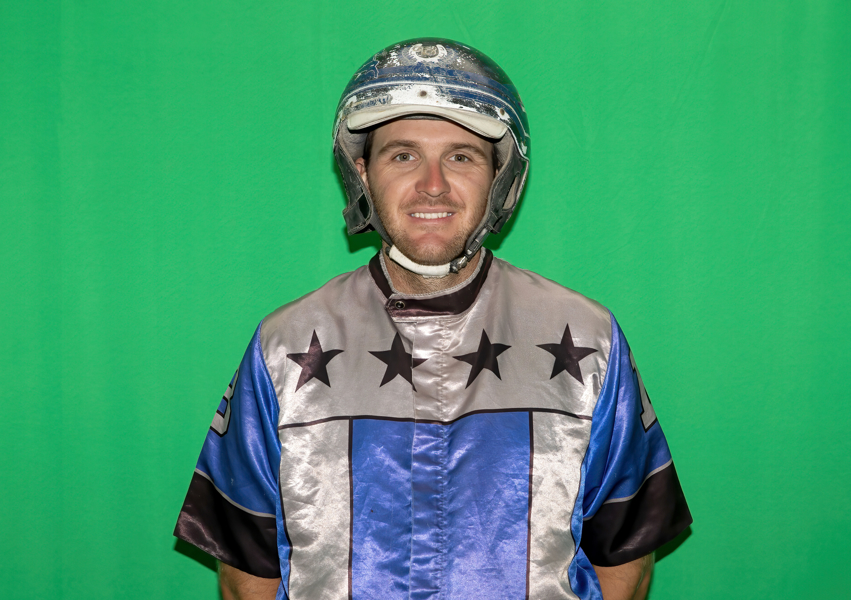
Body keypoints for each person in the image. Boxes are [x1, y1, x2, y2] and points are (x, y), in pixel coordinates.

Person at [174, 38, 692, 600]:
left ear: (499, 177)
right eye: (403, 156)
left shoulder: (589, 338)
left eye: (461, 156)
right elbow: (247, 570)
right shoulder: (285, 344)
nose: (433, 185)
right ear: (362, 174)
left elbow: (625, 559)